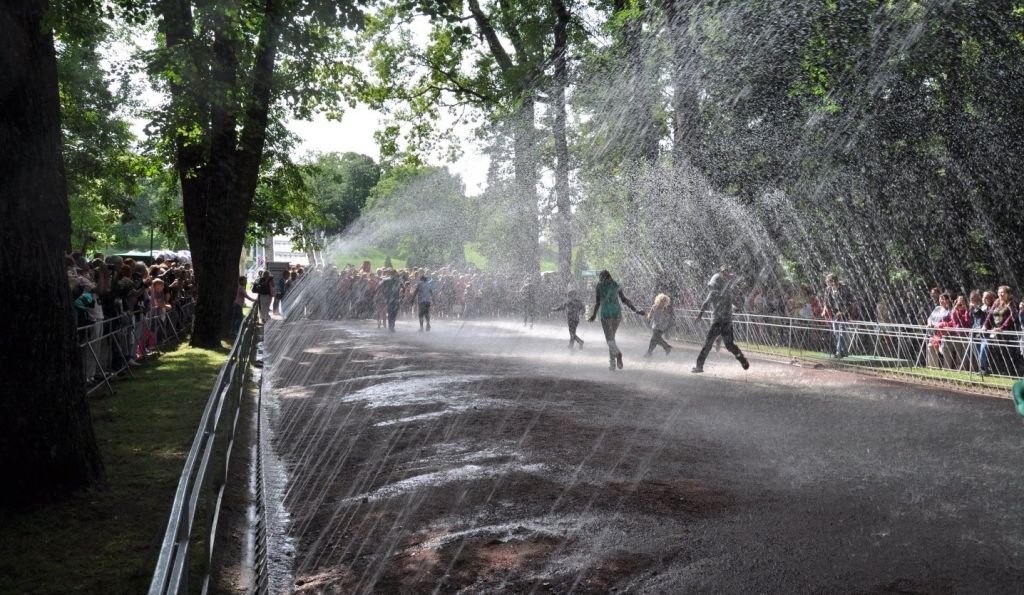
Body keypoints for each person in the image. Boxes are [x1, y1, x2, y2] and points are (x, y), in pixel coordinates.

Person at [692, 265, 749, 373]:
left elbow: (705, 304)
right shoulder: (728, 292)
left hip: (717, 322)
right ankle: (742, 360)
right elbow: (736, 303)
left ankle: (699, 366)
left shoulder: (714, 293)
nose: (711, 287)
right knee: (730, 345)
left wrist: (699, 316)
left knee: (708, 344)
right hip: (727, 322)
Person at [587, 270, 644, 370]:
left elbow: (597, 303)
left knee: (609, 339)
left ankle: (617, 355)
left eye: (601, 278)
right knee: (612, 338)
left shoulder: (599, 286)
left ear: (603, 277)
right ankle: (612, 363)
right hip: (616, 313)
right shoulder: (616, 285)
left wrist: (594, 315)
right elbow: (624, 299)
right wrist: (635, 310)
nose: (602, 280)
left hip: (605, 314)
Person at [821, 272, 854, 359]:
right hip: (834, 313)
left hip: (844, 313)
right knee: (836, 333)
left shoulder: (844, 288)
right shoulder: (828, 290)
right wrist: (824, 310)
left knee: (842, 332)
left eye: (828, 281)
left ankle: (838, 352)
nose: (827, 283)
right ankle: (844, 352)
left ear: (833, 281)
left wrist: (842, 312)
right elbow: (826, 301)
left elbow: (850, 302)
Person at [643, 293, 674, 357]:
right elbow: (650, 315)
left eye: (664, 302)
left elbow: (667, 316)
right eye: (661, 301)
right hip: (655, 325)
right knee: (655, 339)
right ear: (658, 300)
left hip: (662, 326)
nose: (662, 303)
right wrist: (648, 317)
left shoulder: (665, 308)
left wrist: (665, 313)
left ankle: (666, 347)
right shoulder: (654, 306)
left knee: (655, 338)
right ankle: (665, 347)